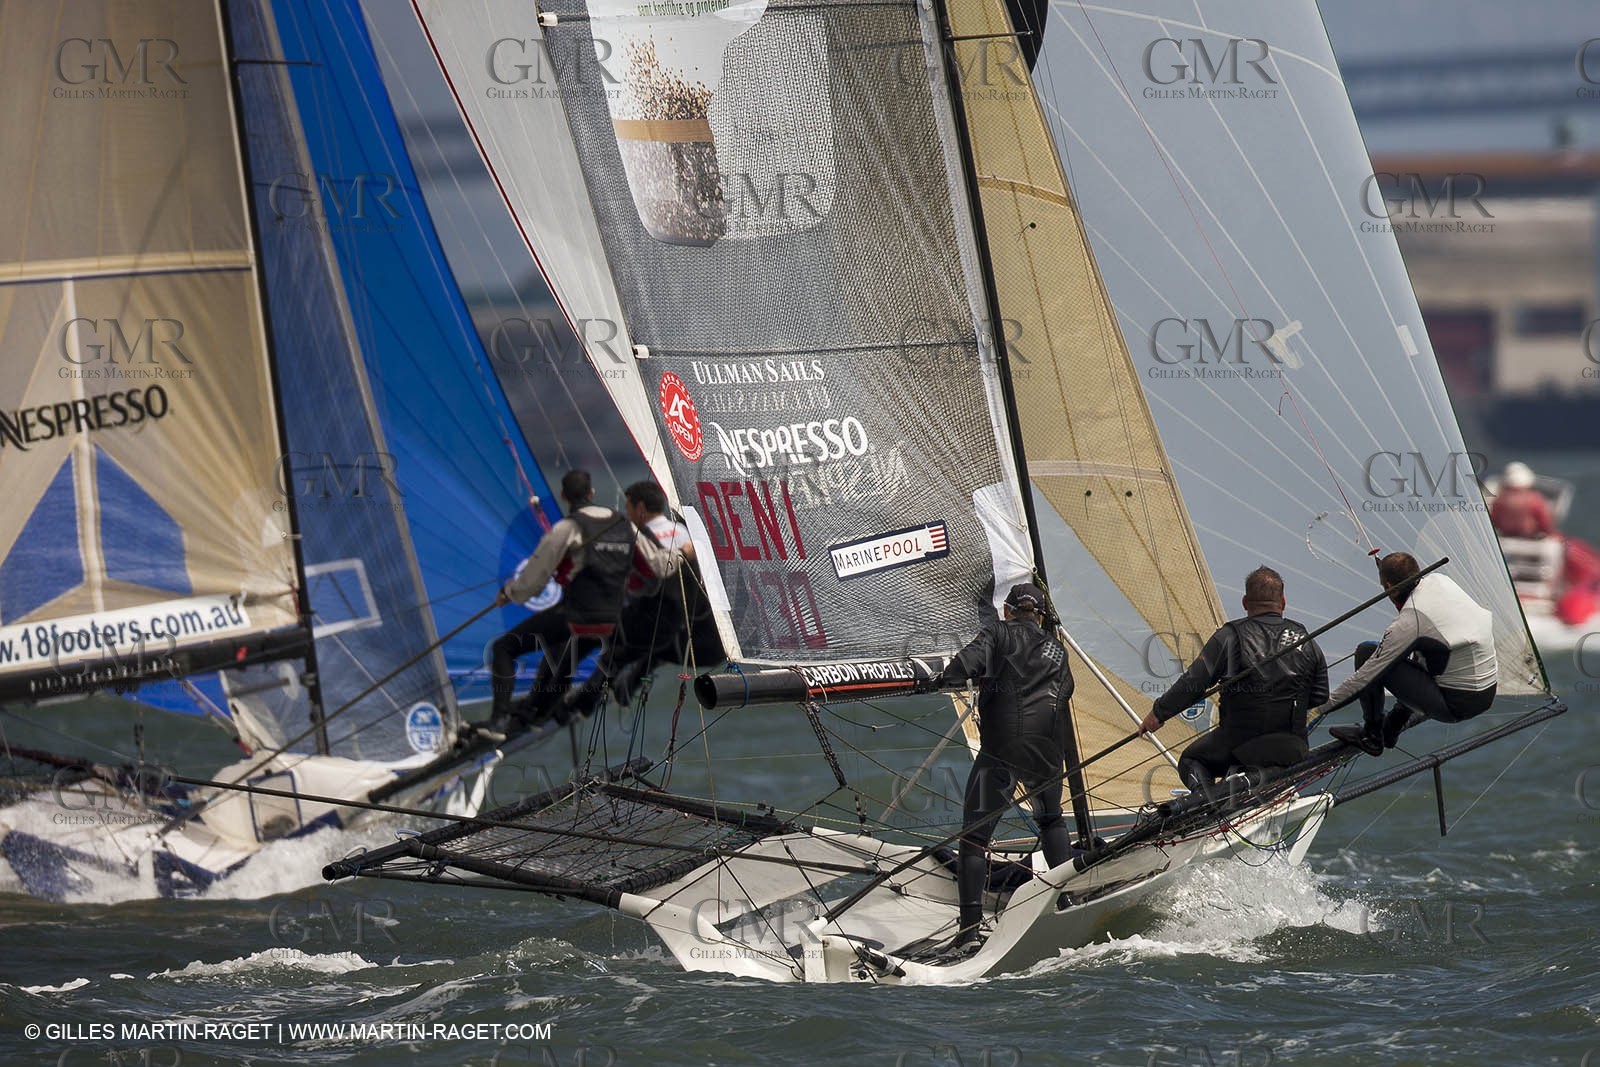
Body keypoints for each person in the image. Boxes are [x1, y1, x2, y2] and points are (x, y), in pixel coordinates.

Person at [472, 470, 683, 742]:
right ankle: (538, 715)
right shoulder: (624, 524)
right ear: (592, 493)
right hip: (613, 622)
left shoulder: (568, 528)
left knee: (505, 648)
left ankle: (498, 722)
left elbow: (534, 579)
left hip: (577, 617)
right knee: (565, 656)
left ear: (564, 496)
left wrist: (509, 593)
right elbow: (658, 565)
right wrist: (683, 552)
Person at [934, 582, 1073, 960]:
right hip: (1047, 753)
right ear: (1040, 616)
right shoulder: (1055, 648)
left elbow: (963, 666)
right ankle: (1069, 902)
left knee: (975, 838)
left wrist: (945, 679)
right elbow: (1067, 690)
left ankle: (969, 932)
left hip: (1003, 752)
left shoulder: (997, 631)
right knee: (1051, 822)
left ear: (1008, 611)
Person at [1138, 566, 1327, 795]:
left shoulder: (1231, 636)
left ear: (1245, 602)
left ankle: (1208, 807)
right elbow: (1319, 695)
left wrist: (1158, 713)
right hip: (1293, 748)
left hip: (1241, 746)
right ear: (1283, 602)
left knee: (1191, 760)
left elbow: (1194, 682)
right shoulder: (1306, 639)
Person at [556, 480, 722, 723]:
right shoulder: (686, 533)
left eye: (629, 508)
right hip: (704, 636)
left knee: (600, 643)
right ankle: (617, 691)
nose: (627, 514)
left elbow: (632, 584)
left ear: (641, 508)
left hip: (665, 625)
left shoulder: (642, 538)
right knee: (635, 650)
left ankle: (572, 704)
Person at [1324, 552, 1497, 756]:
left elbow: (1365, 677)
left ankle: (1372, 736)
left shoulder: (1411, 621)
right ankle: (1391, 728)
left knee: (1367, 652)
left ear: (1388, 587)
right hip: (1487, 692)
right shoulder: (1441, 581)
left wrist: (1318, 709)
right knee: (1424, 647)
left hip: (1455, 705)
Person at [1489, 462, 1556, 540]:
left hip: (1505, 538)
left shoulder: (1500, 499)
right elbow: (1544, 523)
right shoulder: (1535, 499)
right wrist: (1552, 534)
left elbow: (1494, 520)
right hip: (1529, 538)